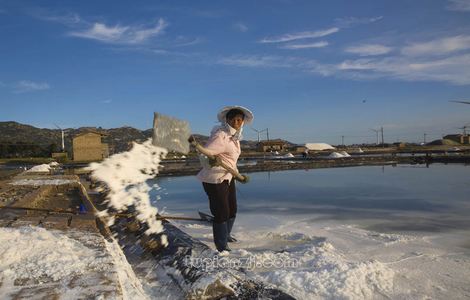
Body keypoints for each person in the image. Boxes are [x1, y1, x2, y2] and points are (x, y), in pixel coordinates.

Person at [188, 106, 253, 253]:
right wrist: (210, 161)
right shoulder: (221, 136)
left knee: (232, 209)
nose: (237, 122)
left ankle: (226, 235)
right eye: (234, 119)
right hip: (214, 179)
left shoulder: (235, 138)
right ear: (227, 120)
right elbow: (205, 153)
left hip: (228, 177)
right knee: (221, 212)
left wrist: (239, 175)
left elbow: (230, 161)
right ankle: (221, 245)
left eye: (239, 120)